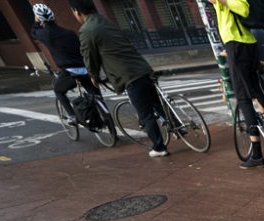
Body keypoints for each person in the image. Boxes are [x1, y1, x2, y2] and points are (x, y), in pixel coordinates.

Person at [69, 0, 169, 157]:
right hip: (143, 68)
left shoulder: (87, 30)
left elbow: (89, 57)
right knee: (157, 104)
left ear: (76, 11)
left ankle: (159, 147)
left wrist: (93, 76)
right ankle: (178, 126)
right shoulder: (107, 21)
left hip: (129, 75)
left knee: (146, 114)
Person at [211, 0, 264, 168]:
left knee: (243, 97)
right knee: (256, 90)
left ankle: (257, 154)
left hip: (238, 45)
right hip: (243, 44)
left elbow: (243, 8)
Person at [29, 3, 101, 124]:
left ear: (41, 19)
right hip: (85, 68)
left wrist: (36, 21)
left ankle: (72, 116)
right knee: (93, 92)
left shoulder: (46, 34)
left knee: (58, 90)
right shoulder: (69, 33)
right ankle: (104, 113)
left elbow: (34, 32)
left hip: (70, 72)